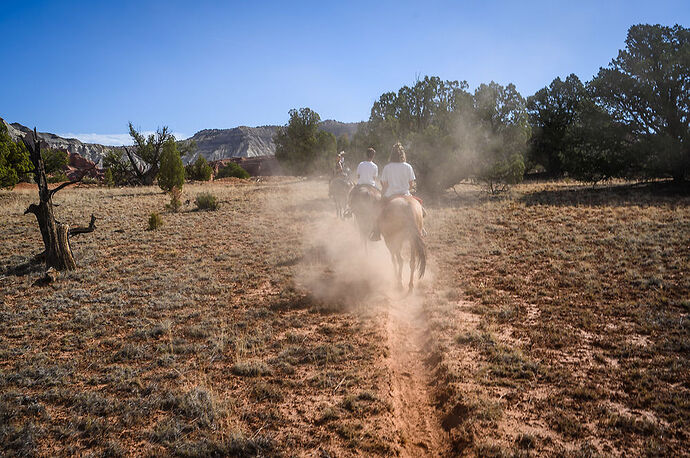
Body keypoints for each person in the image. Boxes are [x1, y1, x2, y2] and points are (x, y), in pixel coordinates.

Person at [370, 142, 417, 241]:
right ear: (403, 154)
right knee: (421, 210)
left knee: (377, 211)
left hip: (390, 196)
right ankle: (421, 229)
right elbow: (411, 184)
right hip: (406, 194)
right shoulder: (408, 166)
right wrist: (405, 188)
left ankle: (376, 232)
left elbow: (385, 184)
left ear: (391, 154)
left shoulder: (387, 167)